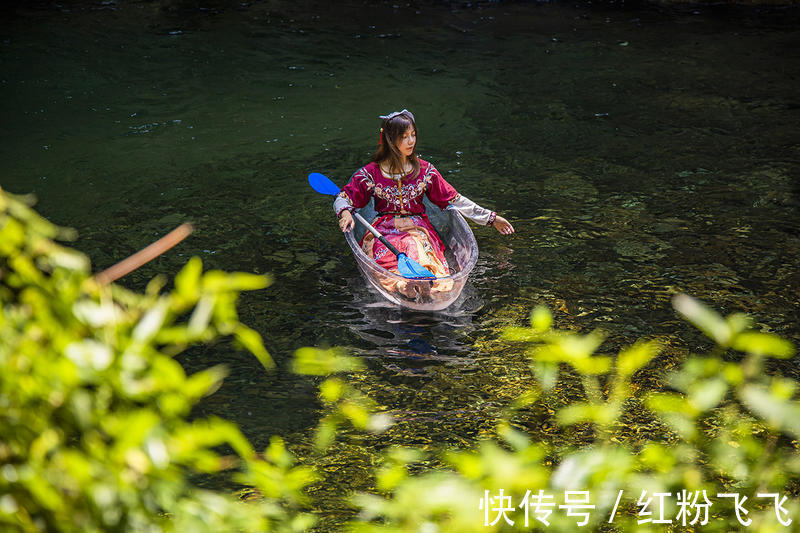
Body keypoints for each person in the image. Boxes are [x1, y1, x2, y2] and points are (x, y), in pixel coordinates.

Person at [333, 109, 514, 295]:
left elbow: (454, 199)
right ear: (390, 140)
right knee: (386, 256)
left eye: (413, 135)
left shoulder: (426, 171)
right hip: (383, 229)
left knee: (415, 248)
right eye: (404, 137)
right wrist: (345, 212)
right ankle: (403, 286)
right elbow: (343, 198)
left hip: (416, 227)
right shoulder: (371, 173)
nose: (411, 141)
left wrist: (492, 219)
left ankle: (422, 284)